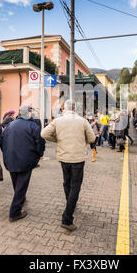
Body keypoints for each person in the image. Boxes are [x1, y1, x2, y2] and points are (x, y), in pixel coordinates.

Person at [41, 99, 96, 232]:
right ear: (75, 108)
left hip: (64, 157)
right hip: (78, 158)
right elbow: (92, 138)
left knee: (67, 182)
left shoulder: (58, 120)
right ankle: (67, 218)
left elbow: (44, 133)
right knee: (75, 185)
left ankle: (69, 203)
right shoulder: (82, 121)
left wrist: (57, 140)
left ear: (64, 108)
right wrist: (82, 141)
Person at [0, 105, 46, 222]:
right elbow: (40, 143)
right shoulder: (32, 126)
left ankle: (20, 198)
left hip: (11, 159)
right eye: (31, 112)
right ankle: (14, 212)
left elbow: (2, 142)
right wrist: (38, 155)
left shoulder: (10, 125)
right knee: (21, 185)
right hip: (25, 160)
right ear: (28, 113)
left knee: (17, 183)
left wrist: (6, 154)